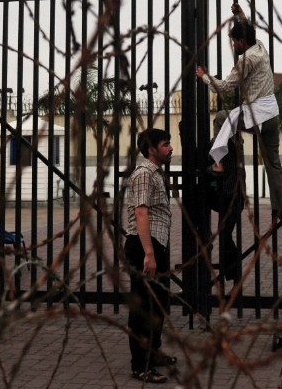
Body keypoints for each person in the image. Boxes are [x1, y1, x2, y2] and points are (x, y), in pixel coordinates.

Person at [196, 3, 282, 221]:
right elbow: (249, 27)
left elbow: (226, 87)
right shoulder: (260, 47)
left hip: (256, 116)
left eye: (234, 41)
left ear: (241, 42)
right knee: (273, 163)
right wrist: (239, 15)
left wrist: (203, 77)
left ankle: (219, 163)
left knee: (221, 119)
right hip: (272, 115)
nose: (233, 45)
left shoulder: (245, 61)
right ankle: (281, 207)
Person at [124, 127, 176, 384]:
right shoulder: (144, 174)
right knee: (143, 308)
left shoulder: (155, 173)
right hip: (144, 247)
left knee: (158, 304)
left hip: (155, 245)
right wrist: (149, 254)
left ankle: (154, 353)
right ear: (152, 149)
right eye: (166, 144)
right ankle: (140, 365)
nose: (171, 148)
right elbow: (141, 213)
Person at [208, 110, 245, 283]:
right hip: (229, 196)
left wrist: (206, 170)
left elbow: (217, 169)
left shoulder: (224, 143)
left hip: (229, 196)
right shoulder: (236, 141)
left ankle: (232, 272)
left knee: (224, 236)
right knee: (224, 235)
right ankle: (231, 272)